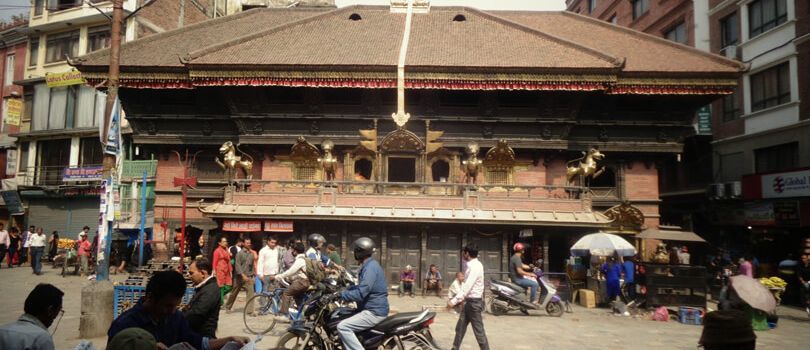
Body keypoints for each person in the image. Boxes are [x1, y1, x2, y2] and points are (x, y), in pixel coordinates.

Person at [108, 271, 249, 350]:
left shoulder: (175, 318)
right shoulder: (124, 325)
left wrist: (229, 340)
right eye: (167, 306)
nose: (172, 311)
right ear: (150, 297)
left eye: (176, 306)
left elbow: (198, 342)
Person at [337, 237, 389, 350]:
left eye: (356, 251)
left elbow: (361, 293)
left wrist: (341, 295)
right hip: (371, 308)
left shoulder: (370, 268)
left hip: (374, 311)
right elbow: (362, 287)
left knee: (343, 326)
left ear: (361, 252)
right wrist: (345, 290)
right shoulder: (368, 265)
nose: (354, 253)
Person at [447, 244, 489, 350]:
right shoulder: (472, 264)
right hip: (468, 303)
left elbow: (467, 287)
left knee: (479, 332)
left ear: (467, 253)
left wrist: (454, 301)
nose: (462, 254)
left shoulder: (474, 267)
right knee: (460, 328)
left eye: (463, 252)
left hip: (474, 303)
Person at [0, 283, 64, 350]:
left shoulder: (2, 330)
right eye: (59, 310)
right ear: (50, 310)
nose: (56, 316)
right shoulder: (41, 339)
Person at [184, 258, 221, 338]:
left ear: (203, 273)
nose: (188, 275)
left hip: (203, 338)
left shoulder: (210, 290)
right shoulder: (204, 287)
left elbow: (197, 315)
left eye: (191, 273)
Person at [225, 238, 255, 315]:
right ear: (243, 244)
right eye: (247, 243)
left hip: (248, 276)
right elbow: (237, 265)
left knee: (251, 293)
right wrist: (242, 275)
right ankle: (228, 306)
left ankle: (250, 311)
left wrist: (252, 275)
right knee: (234, 292)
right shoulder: (239, 253)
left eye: (249, 243)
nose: (249, 244)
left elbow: (251, 266)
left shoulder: (251, 254)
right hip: (239, 277)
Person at [212, 237, 233, 303]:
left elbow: (229, 260)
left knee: (229, 286)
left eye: (226, 241)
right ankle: (221, 302)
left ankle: (217, 296)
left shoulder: (227, 250)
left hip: (227, 270)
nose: (225, 243)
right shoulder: (217, 251)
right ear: (219, 243)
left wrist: (230, 270)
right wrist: (214, 270)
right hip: (220, 270)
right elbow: (214, 261)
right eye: (224, 241)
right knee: (221, 286)